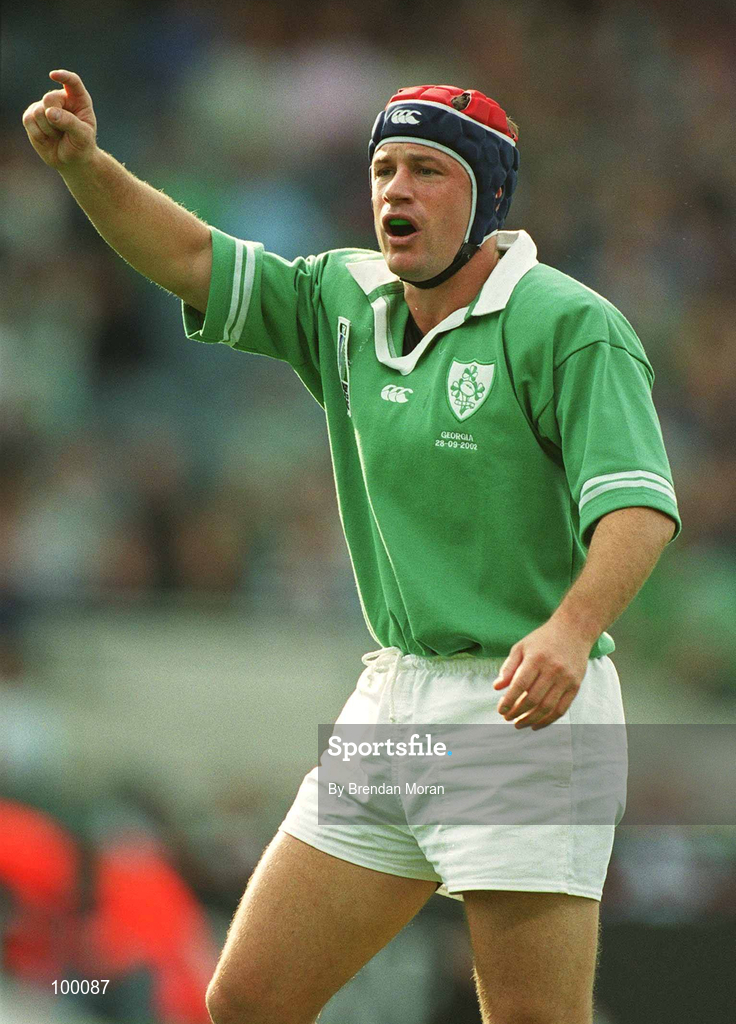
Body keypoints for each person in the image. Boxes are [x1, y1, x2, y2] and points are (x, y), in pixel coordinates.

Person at [24, 72, 680, 1024]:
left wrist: (572, 630)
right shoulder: (344, 297)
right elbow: (190, 258)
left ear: (488, 196)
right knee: (248, 999)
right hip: (395, 700)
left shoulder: (570, 325)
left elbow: (640, 509)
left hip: (522, 709)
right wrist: (84, 167)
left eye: (426, 170)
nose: (395, 192)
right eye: (382, 168)